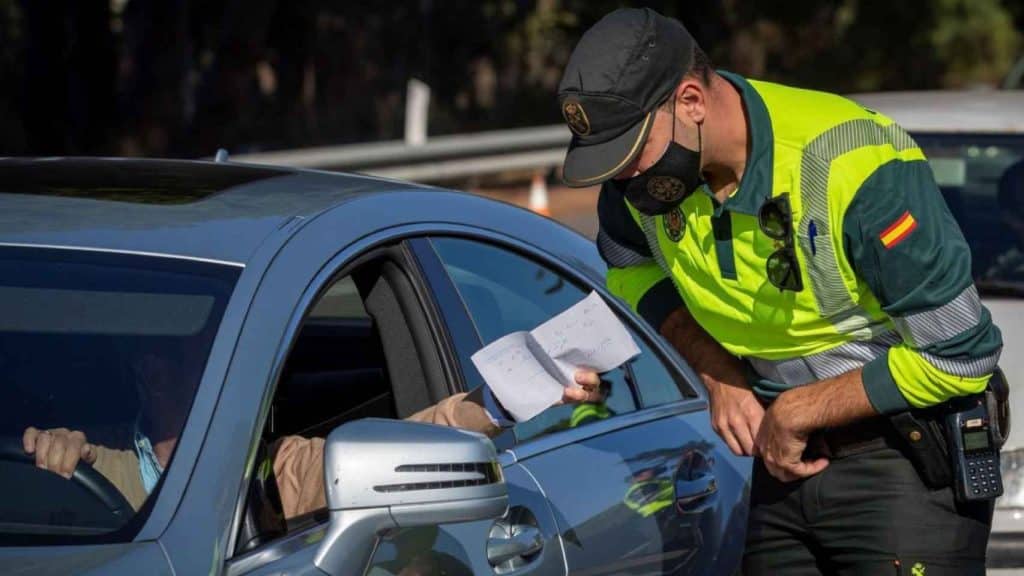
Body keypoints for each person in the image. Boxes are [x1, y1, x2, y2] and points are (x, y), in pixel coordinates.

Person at [559, 8, 1002, 574]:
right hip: (777, 458)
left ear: (691, 102)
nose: (623, 178)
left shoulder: (852, 162)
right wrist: (719, 375)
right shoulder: (642, 184)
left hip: (904, 457)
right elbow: (632, 271)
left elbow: (962, 355)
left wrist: (801, 408)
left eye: (631, 152)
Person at [24, 362, 603, 518]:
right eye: (153, 353)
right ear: (135, 372)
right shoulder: (89, 460)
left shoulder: (273, 470)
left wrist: (510, 395)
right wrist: (52, 460)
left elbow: (419, 438)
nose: (167, 366)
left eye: (187, 348)